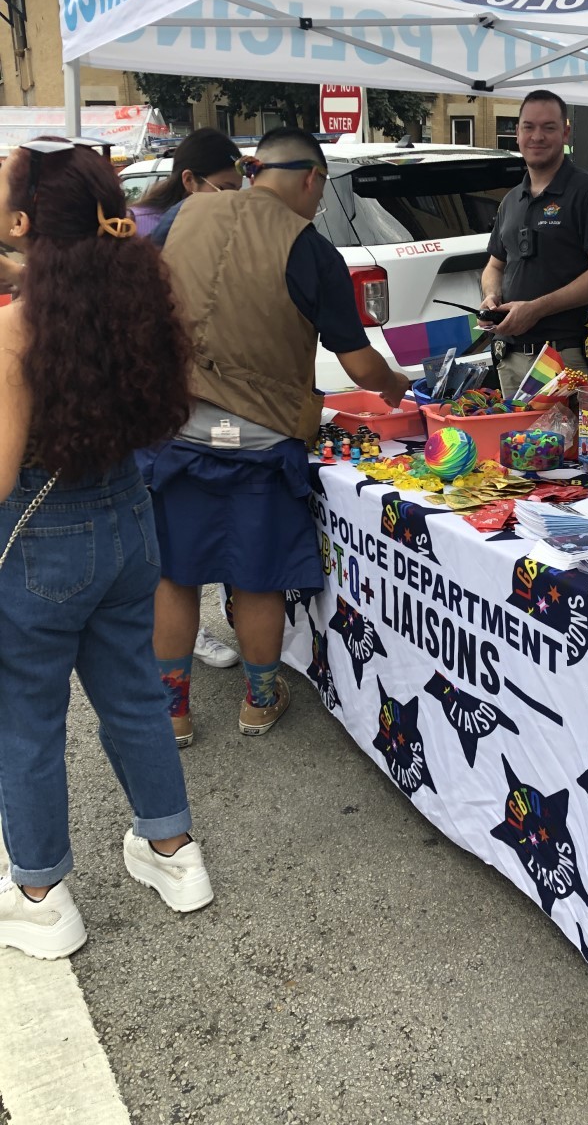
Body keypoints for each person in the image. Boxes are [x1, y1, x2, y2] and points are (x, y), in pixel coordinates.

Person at [0, 140, 213, 960]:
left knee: (26, 719)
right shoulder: (135, 295)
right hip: (129, 519)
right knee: (130, 692)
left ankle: (41, 894)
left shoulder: (19, 327)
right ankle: (172, 852)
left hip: (44, 541)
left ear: (24, 223)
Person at [146, 127, 410, 747]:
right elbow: (359, 365)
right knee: (257, 577)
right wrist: (398, 386)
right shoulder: (310, 248)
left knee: (177, 575)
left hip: (177, 430)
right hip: (262, 443)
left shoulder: (185, 215)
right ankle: (259, 703)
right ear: (310, 179)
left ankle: (174, 713)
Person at [133, 128, 245, 671]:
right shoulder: (150, 231)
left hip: (198, 406)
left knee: (181, 539)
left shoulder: (203, 224)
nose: (234, 200)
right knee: (175, 549)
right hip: (167, 406)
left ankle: (170, 645)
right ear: (189, 181)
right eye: (223, 188)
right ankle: (180, 640)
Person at [479, 89, 588, 399]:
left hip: (562, 358)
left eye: (549, 127)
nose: (537, 136)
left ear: (566, 132)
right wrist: (491, 297)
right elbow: (494, 265)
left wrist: (536, 309)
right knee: (514, 444)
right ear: (516, 133)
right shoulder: (510, 201)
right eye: (528, 127)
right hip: (509, 357)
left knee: (563, 448)